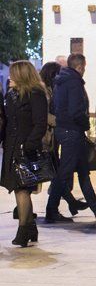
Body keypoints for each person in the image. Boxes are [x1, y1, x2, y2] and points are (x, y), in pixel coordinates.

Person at [44, 54, 96, 223]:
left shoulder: (61, 81)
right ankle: (51, 210)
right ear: (81, 67)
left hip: (65, 129)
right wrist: (85, 125)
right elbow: (77, 110)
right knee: (64, 173)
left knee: (83, 171)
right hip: (72, 131)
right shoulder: (74, 81)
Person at [1, 61, 49, 247]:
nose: (10, 78)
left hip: (26, 148)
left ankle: (23, 230)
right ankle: (30, 227)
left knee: (22, 188)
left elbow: (40, 124)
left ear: (22, 75)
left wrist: (29, 144)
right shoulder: (11, 95)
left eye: (13, 74)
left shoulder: (35, 94)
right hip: (11, 147)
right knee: (17, 187)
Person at [39, 60, 91, 221]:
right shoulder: (44, 91)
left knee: (60, 173)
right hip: (48, 138)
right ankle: (48, 210)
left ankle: (70, 203)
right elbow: (44, 115)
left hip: (55, 137)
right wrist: (61, 121)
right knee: (60, 173)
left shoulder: (53, 89)